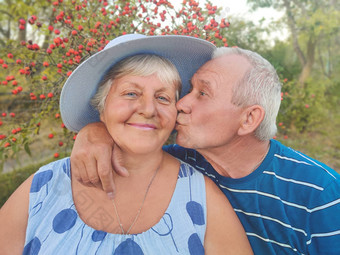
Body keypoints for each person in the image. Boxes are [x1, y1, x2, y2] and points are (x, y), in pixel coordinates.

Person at [71, 45, 340, 254]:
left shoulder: (318, 194)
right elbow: (132, 139)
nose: (181, 103)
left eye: (202, 93)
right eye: (189, 89)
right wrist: (95, 132)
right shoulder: (179, 164)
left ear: (249, 119)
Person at [0, 34, 253, 255]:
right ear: (102, 107)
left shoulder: (202, 198)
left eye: (163, 97)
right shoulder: (43, 188)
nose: (148, 109)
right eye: (131, 93)